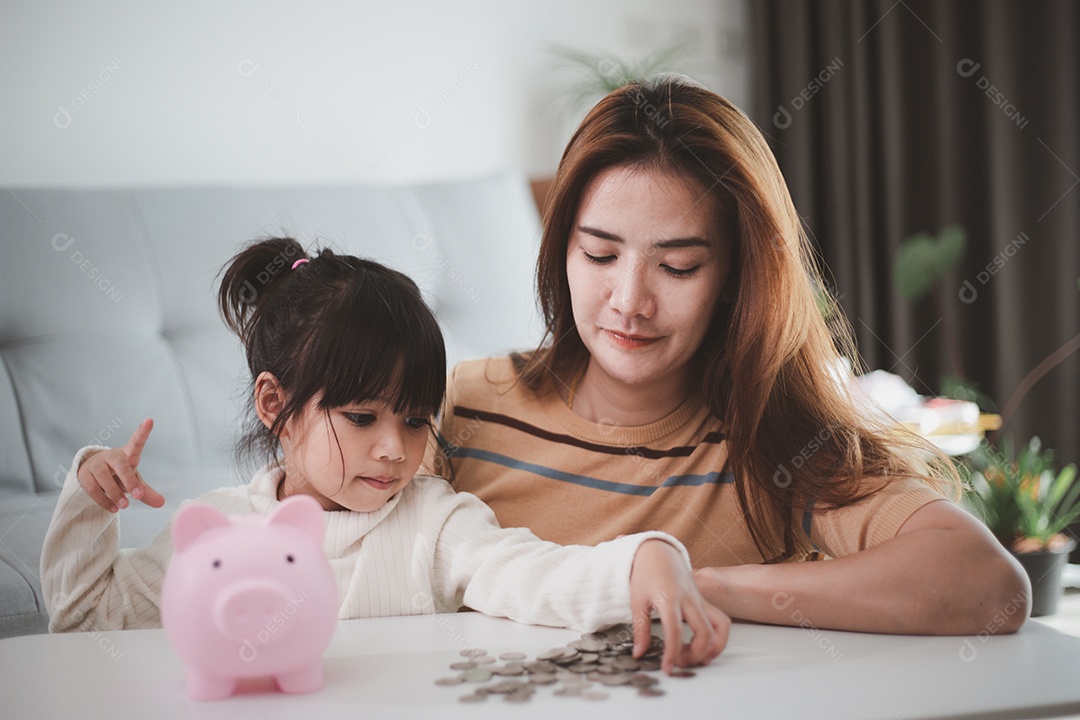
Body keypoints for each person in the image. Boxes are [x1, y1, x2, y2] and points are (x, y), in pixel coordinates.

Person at [426, 76, 1031, 635]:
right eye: (600, 256)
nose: (630, 302)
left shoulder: (776, 440)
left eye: (677, 266)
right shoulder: (459, 407)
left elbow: (987, 586)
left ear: (736, 277)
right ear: (561, 252)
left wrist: (695, 583)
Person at [40, 237, 727, 672]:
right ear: (275, 404)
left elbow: (530, 574)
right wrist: (88, 500)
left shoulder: (434, 522)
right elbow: (85, 626)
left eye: (417, 419)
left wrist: (643, 558)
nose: (396, 450)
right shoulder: (216, 532)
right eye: (362, 416)